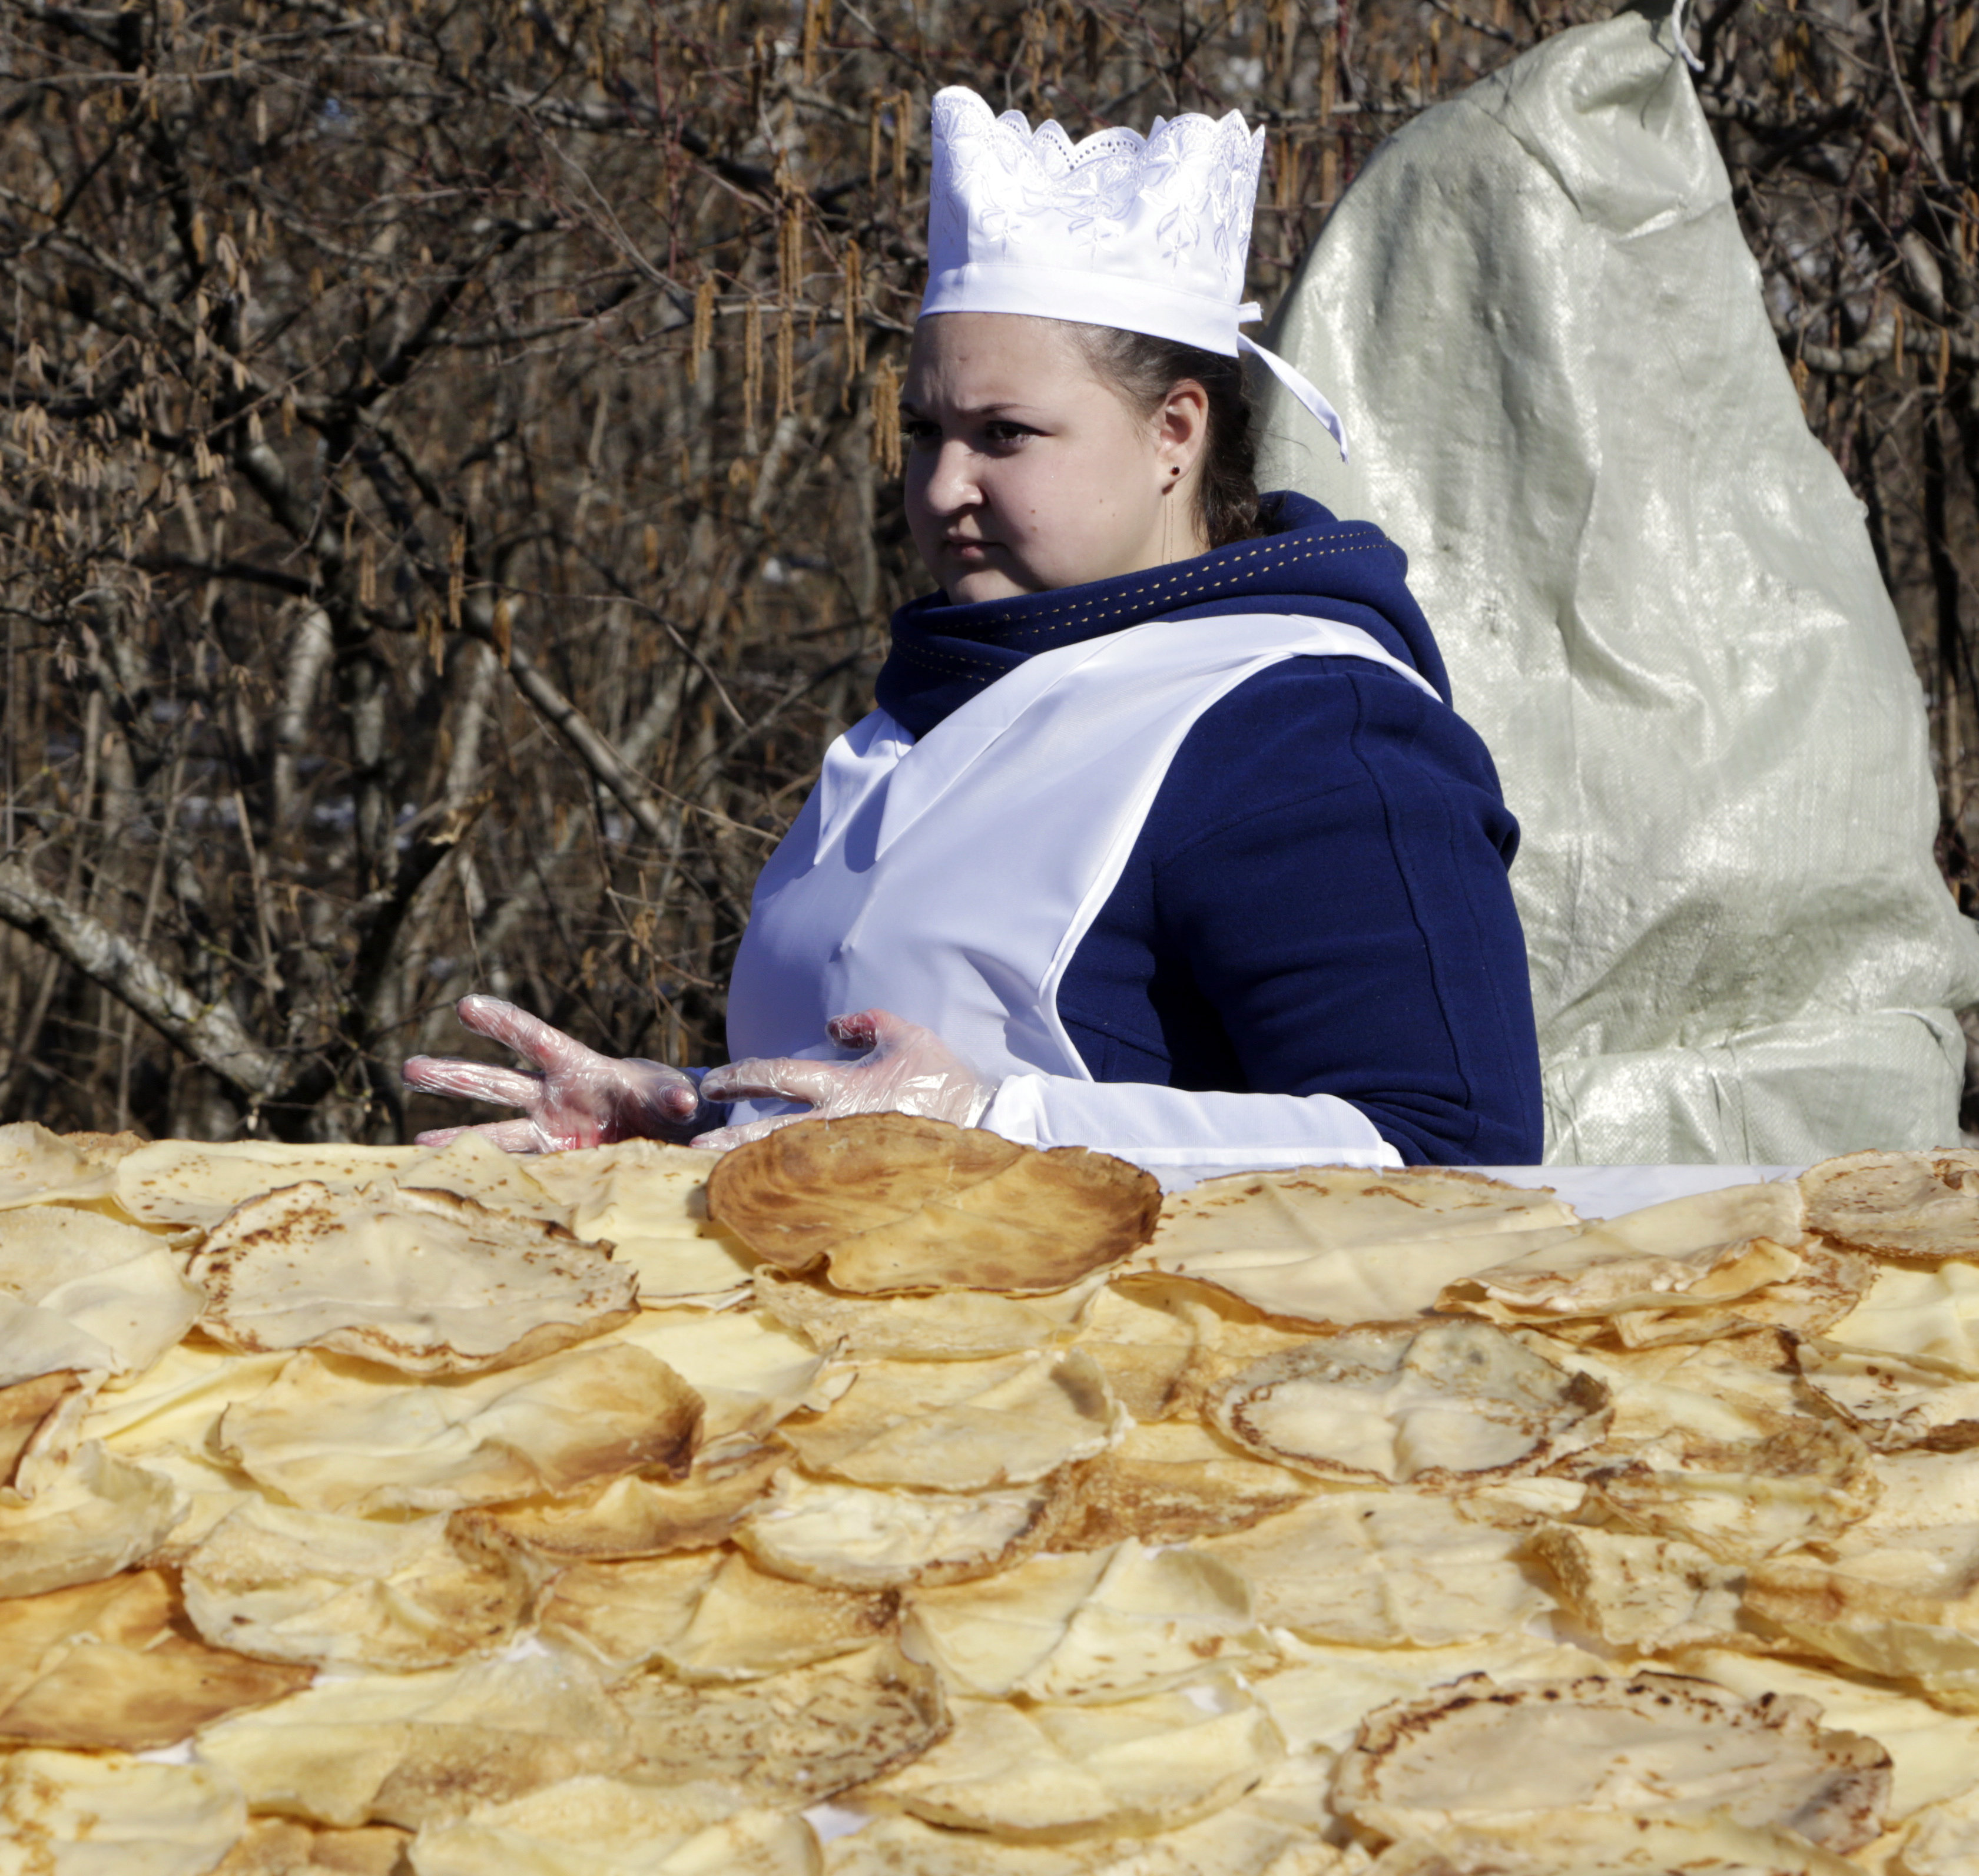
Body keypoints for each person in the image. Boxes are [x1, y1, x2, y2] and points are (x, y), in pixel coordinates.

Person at [404, 88, 1542, 1171]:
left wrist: (998, 1125)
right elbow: (888, 1099)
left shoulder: (1309, 727)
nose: (944, 485)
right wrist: (691, 1115)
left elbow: (1456, 1155)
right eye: (924, 430)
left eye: (1004, 435)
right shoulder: (930, 710)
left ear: (1175, 433)